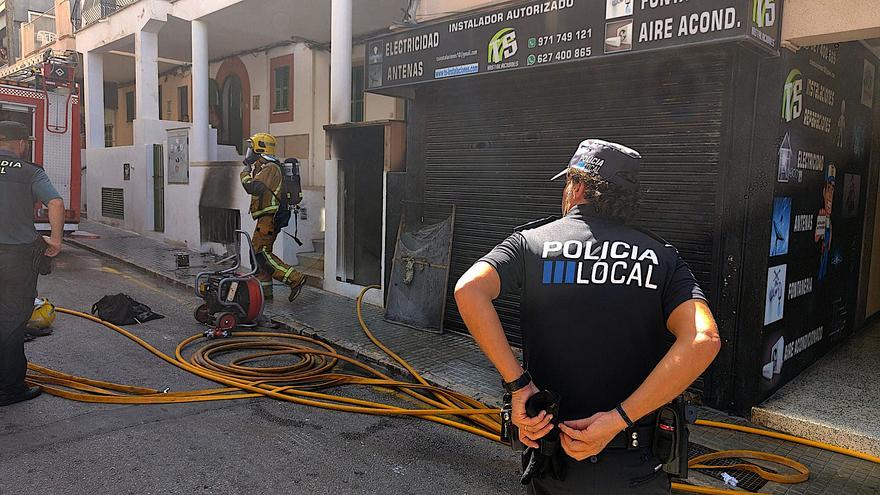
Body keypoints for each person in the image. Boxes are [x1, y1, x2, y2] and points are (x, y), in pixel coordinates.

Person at [454, 139, 721, 494]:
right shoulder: (662, 257)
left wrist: (518, 386)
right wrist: (618, 420)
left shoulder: (532, 243)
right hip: (634, 464)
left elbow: (468, 290)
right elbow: (704, 340)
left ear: (577, 187)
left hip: (554, 459)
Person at [0, 121, 64, 407]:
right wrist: (56, 241)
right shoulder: (30, 171)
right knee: (13, 319)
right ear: (22, 143)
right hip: (16, 256)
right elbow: (56, 203)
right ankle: (9, 388)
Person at [240, 132, 306, 302]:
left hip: (269, 218)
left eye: (251, 148)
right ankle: (265, 294)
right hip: (266, 218)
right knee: (258, 257)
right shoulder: (267, 167)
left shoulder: (270, 168)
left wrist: (245, 172)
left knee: (261, 253)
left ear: (259, 149)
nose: (249, 153)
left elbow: (253, 187)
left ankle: (295, 279)